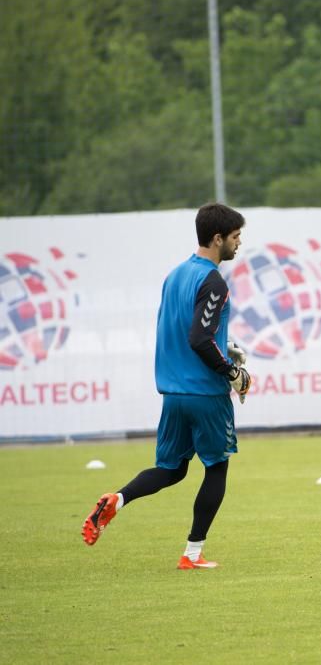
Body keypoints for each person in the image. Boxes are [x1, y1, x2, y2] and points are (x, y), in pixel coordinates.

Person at [80, 203, 253, 569]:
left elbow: (186, 331)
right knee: (217, 468)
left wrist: (226, 347)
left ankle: (117, 499)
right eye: (236, 237)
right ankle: (192, 554)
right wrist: (232, 373)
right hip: (205, 394)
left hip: (173, 394)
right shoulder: (214, 281)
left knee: (172, 469)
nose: (239, 244)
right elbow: (200, 339)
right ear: (218, 238)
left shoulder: (175, 275)